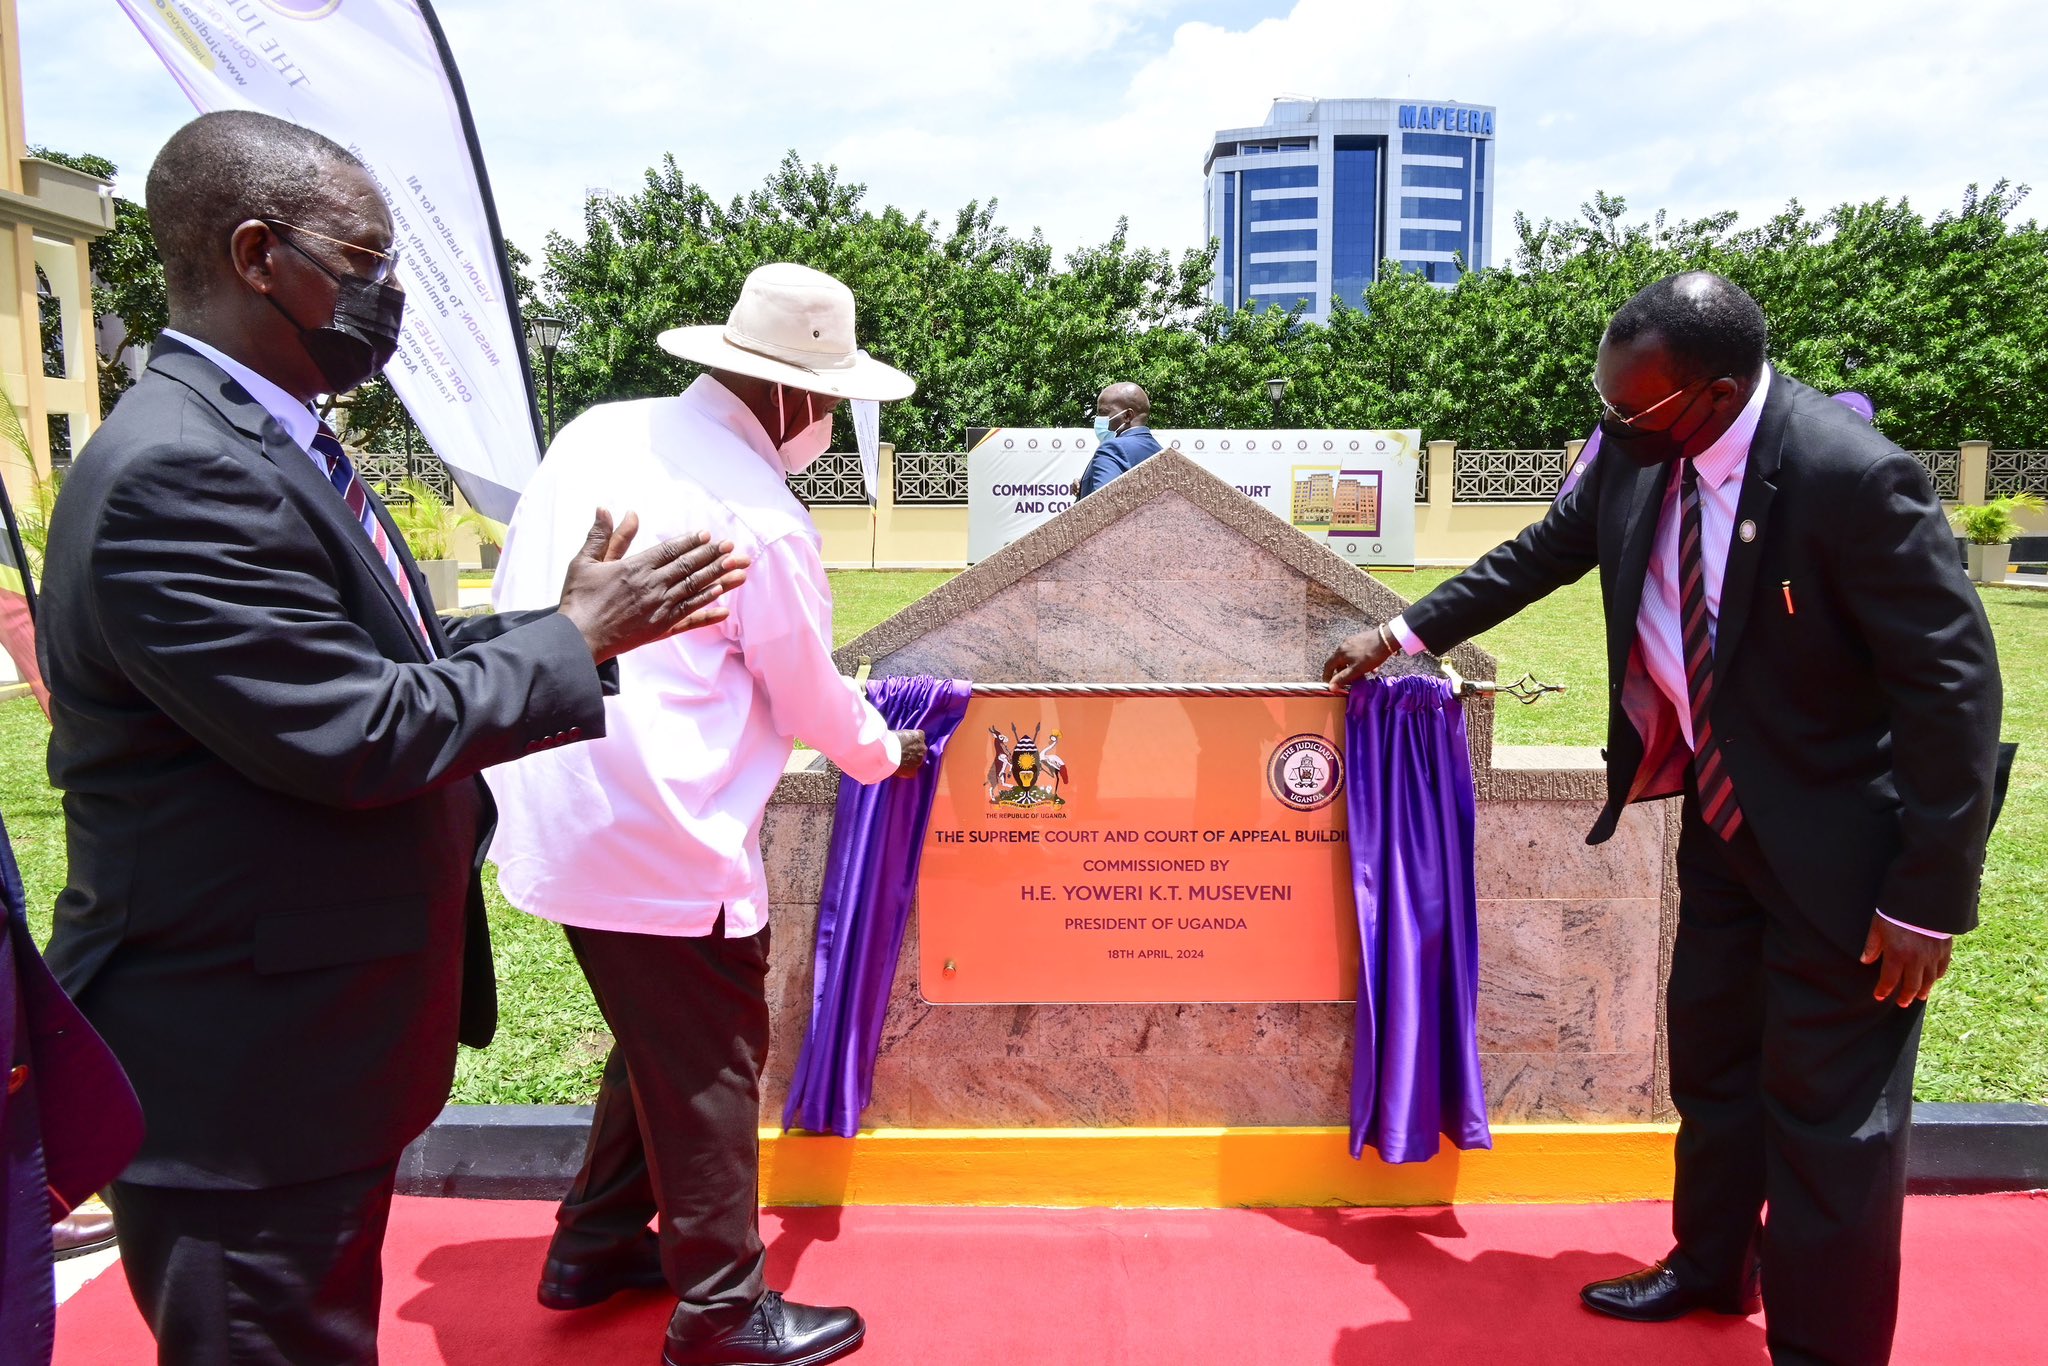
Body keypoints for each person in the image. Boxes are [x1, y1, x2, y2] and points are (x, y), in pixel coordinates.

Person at [37, 111, 747, 1365]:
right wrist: (571, 642)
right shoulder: (177, 473)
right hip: (242, 1082)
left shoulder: (270, 444)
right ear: (258, 254)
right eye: (363, 261)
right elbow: (355, 731)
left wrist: (564, 629)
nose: (390, 292)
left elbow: (379, 666)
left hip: (308, 1054)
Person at [1324, 272, 2001, 1366]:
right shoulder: (1642, 457)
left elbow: (1952, 690)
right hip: (1725, 829)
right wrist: (1404, 634)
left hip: (1846, 856)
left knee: (1828, 1121)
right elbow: (1539, 553)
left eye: (1627, 409)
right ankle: (1707, 1265)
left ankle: (1823, 1349)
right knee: (1716, 1067)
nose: (1608, 427)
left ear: (1715, 393)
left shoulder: (1851, 478)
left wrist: (1927, 894)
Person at [485, 262, 925, 1366]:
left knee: (659, 1035)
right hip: (661, 824)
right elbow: (806, 689)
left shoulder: (600, 428)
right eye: (825, 399)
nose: (827, 420)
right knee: (713, 1055)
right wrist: (885, 753)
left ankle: (592, 1244)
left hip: (557, 789)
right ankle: (723, 1311)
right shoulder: (758, 515)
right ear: (785, 395)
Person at [1074, 382, 1161, 496]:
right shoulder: (1160, 451)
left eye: (1103, 413)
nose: (1098, 419)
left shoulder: (1112, 449)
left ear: (1127, 416)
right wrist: (1087, 484)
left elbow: (1102, 506)